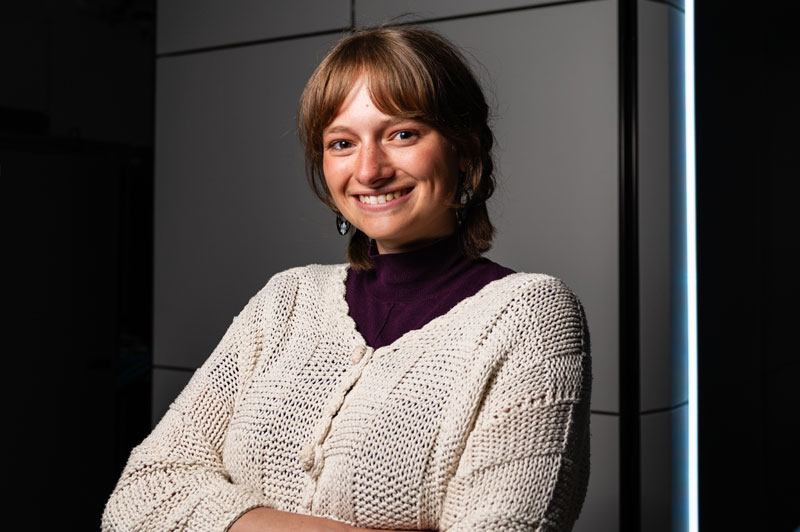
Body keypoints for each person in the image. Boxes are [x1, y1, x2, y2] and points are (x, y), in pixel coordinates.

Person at [102, 26, 591, 532]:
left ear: (464, 150)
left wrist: (226, 518)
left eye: (402, 134)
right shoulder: (285, 300)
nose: (369, 169)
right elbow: (138, 499)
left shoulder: (532, 313)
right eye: (342, 142)